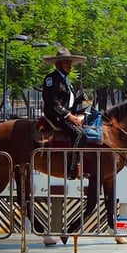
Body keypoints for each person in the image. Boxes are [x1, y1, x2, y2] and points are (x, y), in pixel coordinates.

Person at [42, 47, 88, 179]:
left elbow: (68, 102)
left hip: (65, 115)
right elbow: (53, 103)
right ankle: (72, 169)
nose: (69, 65)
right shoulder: (51, 79)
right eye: (66, 62)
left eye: (70, 63)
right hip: (55, 116)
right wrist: (70, 116)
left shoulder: (66, 81)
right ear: (58, 64)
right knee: (80, 134)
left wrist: (79, 99)